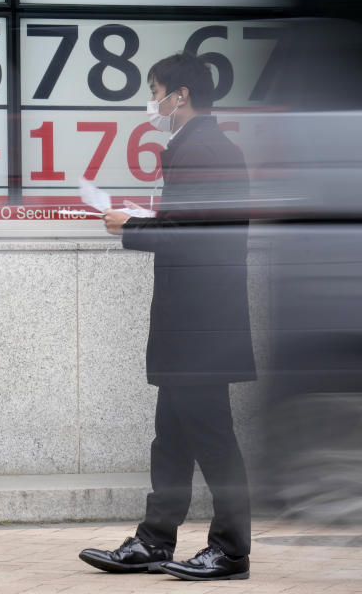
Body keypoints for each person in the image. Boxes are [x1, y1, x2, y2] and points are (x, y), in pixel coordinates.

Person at [78, 52, 255, 581]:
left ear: (180, 95)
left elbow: (194, 236)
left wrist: (127, 227)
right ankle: (155, 541)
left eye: (156, 90)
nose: (152, 101)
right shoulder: (200, 147)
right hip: (193, 320)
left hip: (200, 323)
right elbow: (194, 224)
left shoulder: (202, 149)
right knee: (172, 438)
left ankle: (231, 550)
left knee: (213, 438)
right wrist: (146, 217)